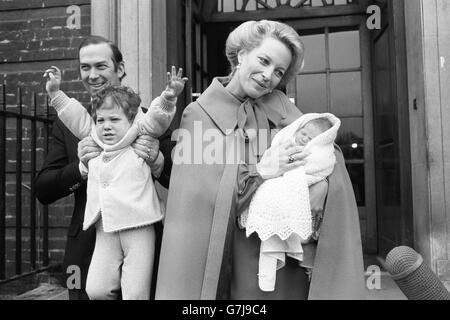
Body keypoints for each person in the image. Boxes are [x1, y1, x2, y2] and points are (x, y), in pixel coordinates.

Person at [155, 20, 365, 300]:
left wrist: (323, 185)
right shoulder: (199, 114)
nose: (268, 76)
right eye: (263, 60)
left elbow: (326, 147)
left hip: (289, 247)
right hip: (239, 254)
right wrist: (262, 171)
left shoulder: (280, 105)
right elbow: (198, 198)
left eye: (278, 71)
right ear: (241, 55)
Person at [35, 35, 175, 300]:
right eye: (85, 67)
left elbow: (179, 179)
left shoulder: (146, 119)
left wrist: (157, 163)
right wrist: (80, 167)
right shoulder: (68, 123)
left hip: (142, 237)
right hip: (85, 248)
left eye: (101, 66)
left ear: (120, 69)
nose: (92, 74)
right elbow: (43, 189)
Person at [240, 113, 340, 292]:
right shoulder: (285, 141)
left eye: (311, 138)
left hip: (303, 193)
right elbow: (271, 159)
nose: (304, 138)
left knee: (305, 236)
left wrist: (321, 182)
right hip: (277, 190)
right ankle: (268, 273)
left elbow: (320, 164)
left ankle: (310, 269)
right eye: (303, 133)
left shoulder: (317, 151)